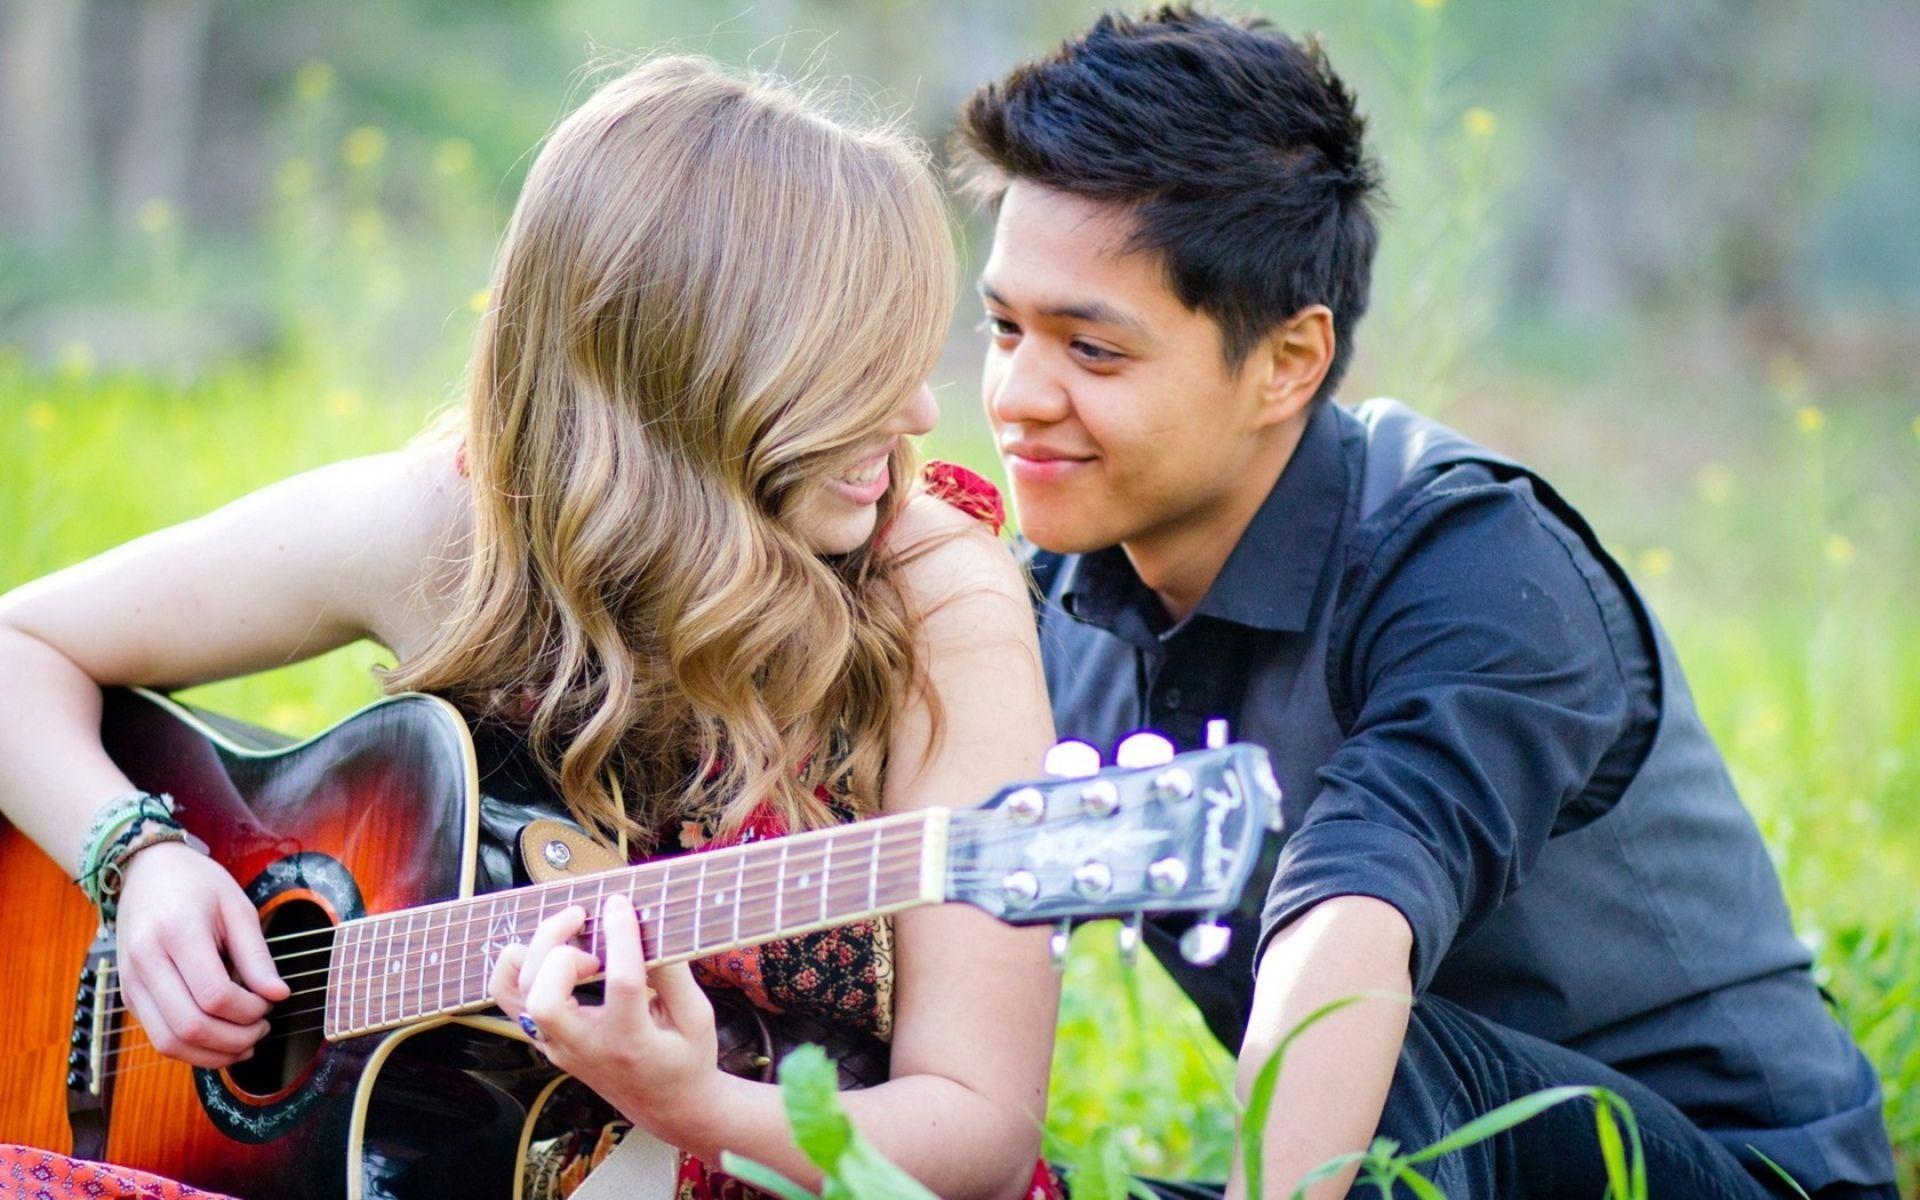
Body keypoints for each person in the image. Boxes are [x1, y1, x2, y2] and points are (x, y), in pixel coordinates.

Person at [0, 54, 1060, 1200]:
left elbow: (981, 1132)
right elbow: (20, 649)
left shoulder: (932, 592)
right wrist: (138, 858)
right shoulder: (454, 527)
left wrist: (697, 1107)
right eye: (863, 369)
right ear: (696, 367)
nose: (916, 412)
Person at [952, 8, 1898, 1200]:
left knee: (1371, 1037)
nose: (1018, 396)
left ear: (1290, 360)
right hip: (1378, 1171)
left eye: (1092, 351)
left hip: (1719, 1176)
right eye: (1002, 329)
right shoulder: (1052, 615)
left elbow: (1352, 934)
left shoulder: (1472, 562)